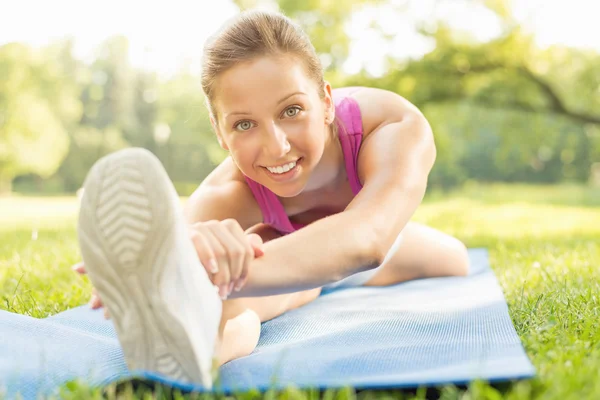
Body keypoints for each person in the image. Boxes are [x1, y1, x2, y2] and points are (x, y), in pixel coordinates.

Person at [74, 9, 470, 389]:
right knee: (238, 299)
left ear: (327, 102)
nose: (276, 146)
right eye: (244, 124)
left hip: (377, 239)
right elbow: (176, 276)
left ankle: (221, 280)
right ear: (218, 130)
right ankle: (203, 354)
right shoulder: (226, 193)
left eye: (292, 110)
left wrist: (197, 271)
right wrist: (160, 276)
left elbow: (367, 240)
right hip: (276, 247)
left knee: (456, 259)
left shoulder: (392, 126)